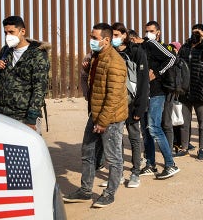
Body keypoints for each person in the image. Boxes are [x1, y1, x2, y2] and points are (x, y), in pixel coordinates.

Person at [62, 23, 128, 208]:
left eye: (94, 38)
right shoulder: (97, 57)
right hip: (96, 114)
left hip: (111, 118)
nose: (91, 41)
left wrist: (103, 121)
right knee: (87, 152)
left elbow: (113, 96)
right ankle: (85, 191)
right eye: (90, 37)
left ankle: (109, 193)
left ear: (106, 40)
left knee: (113, 158)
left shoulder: (115, 62)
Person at [0, 16, 50, 132]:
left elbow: (39, 89)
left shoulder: (37, 55)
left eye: (11, 32)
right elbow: (1, 77)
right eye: (6, 32)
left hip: (24, 116)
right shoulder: (5, 51)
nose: (8, 36)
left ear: (22, 31)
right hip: (2, 113)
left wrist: (31, 118)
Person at [110, 23, 150, 188]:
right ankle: (118, 174)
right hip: (115, 104)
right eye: (112, 35)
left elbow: (143, 81)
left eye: (117, 35)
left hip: (132, 104)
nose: (114, 38)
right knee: (116, 139)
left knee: (134, 138)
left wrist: (140, 107)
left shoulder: (136, 52)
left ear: (124, 35)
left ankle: (135, 172)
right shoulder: (110, 52)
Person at [140, 20, 180, 179]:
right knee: (146, 130)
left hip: (157, 93)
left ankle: (170, 164)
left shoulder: (157, 45)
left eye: (151, 31)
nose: (148, 33)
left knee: (154, 127)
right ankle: (150, 164)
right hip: (145, 94)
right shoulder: (146, 46)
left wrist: (157, 72)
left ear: (158, 32)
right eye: (146, 30)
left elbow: (172, 58)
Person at [175, 24, 203, 160]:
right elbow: (178, 64)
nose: (195, 35)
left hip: (200, 89)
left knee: (202, 123)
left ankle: (201, 149)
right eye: (194, 32)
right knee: (184, 122)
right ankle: (185, 148)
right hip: (186, 91)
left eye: (198, 32)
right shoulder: (186, 47)